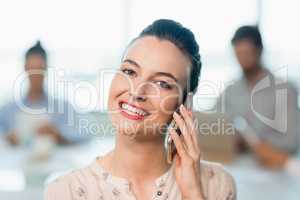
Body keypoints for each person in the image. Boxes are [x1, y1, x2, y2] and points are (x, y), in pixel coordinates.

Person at [46, 19, 236, 200]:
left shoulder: (216, 184)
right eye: (129, 71)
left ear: (185, 104)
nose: (137, 91)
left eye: (162, 83)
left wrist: (193, 193)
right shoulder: (65, 191)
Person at [216, 25, 299, 168]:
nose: (242, 60)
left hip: (276, 171)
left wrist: (256, 145)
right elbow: (213, 124)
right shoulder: (230, 91)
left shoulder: (285, 90)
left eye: (247, 53)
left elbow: (292, 141)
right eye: (238, 54)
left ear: (259, 51)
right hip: (238, 168)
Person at [0, 41, 84, 145]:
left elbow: (84, 135)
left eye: (39, 69)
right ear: (25, 68)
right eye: (32, 69)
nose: (35, 75)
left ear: (46, 69)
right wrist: (6, 137)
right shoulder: (8, 109)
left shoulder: (63, 108)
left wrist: (58, 135)